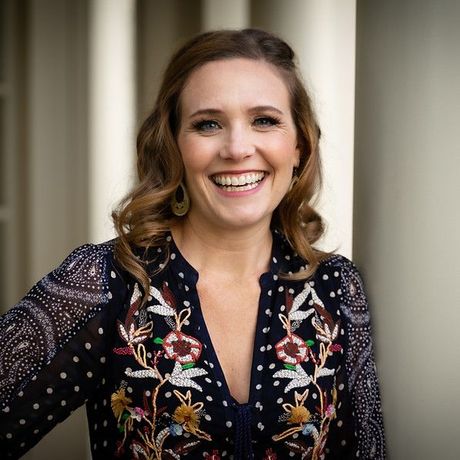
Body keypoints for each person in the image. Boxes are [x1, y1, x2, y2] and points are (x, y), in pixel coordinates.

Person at [0, 29, 385, 459]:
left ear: (299, 145)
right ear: (173, 147)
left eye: (264, 120)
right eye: (207, 124)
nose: (238, 148)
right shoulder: (107, 279)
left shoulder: (337, 287)